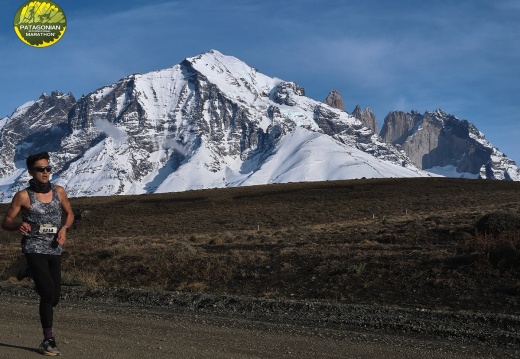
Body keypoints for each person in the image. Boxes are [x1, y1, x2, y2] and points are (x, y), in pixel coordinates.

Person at [1, 151, 74, 356]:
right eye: (41, 169)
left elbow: (69, 214)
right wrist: (18, 226)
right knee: (47, 293)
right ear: (31, 172)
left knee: (55, 298)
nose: (45, 172)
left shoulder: (59, 191)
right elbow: (6, 221)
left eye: (48, 168)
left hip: (54, 248)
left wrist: (64, 229)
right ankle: (48, 340)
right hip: (33, 247)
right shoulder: (23, 196)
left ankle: (30, 272)